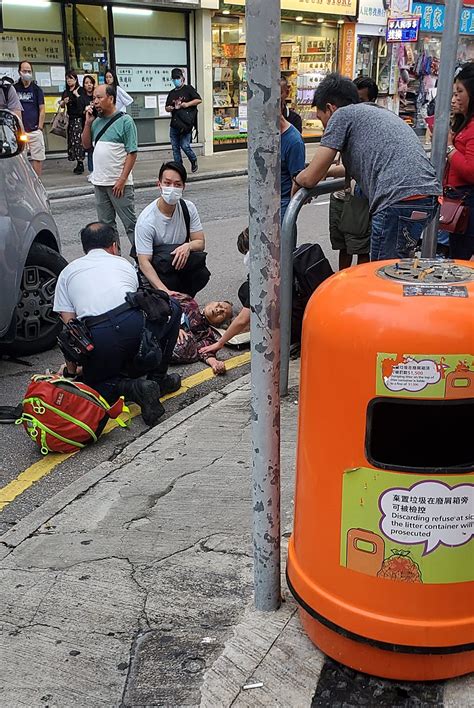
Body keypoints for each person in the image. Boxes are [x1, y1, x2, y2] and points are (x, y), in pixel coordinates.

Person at [292, 73, 441, 261]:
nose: (324, 127)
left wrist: (297, 180)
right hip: (426, 198)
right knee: (396, 266)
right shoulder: (374, 113)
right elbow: (370, 163)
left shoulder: (341, 116)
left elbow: (310, 177)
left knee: (381, 272)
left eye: (322, 119)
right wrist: (328, 172)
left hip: (398, 199)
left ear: (330, 108)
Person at [53, 222, 181, 427]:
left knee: (95, 387)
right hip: (134, 324)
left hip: (98, 337)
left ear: (85, 248)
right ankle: (158, 379)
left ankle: (132, 387)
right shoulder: (123, 264)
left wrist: (71, 372)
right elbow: (146, 303)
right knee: (173, 307)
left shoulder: (68, 272)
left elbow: (71, 330)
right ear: (113, 246)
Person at [135, 161, 209, 297]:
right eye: (167, 183)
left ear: (183, 187)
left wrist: (188, 246)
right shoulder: (146, 221)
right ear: (159, 185)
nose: (172, 188)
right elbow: (144, 262)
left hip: (179, 265)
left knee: (201, 273)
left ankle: (186, 300)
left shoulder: (188, 208)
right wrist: (165, 291)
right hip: (159, 271)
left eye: (177, 184)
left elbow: (200, 242)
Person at [327, 76, 377, 270]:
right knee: (343, 246)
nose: (356, 106)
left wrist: (327, 171)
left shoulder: (372, 126)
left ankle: (359, 287)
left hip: (359, 198)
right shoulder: (343, 121)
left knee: (361, 247)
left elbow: (358, 166)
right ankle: (343, 284)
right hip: (340, 196)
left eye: (362, 100)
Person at [82, 84, 138, 246]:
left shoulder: (125, 121)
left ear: (111, 99)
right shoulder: (95, 122)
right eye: (94, 98)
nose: (95, 102)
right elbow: (86, 145)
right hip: (99, 182)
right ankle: (114, 260)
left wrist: (122, 180)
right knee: (106, 227)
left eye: (99, 97)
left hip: (119, 184)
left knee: (131, 225)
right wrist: (87, 123)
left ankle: (142, 260)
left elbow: (132, 153)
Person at [442, 63, 474, 260]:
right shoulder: (465, 123)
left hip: (467, 203)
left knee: (460, 261)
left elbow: (470, 170)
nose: (454, 100)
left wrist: (449, 147)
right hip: (460, 200)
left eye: (459, 93)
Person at [171, 294, 232, 375]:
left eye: (222, 313)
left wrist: (215, 364)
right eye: (219, 305)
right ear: (211, 302)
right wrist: (175, 326)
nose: (218, 309)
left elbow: (205, 351)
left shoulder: (206, 334)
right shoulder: (188, 302)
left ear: (219, 324)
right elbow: (164, 300)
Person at [165, 68, 201, 173]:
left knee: (185, 145)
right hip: (175, 124)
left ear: (182, 78)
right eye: (174, 79)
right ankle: (179, 169)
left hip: (186, 124)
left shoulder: (188, 89)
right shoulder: (171, 93)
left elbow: (199, 100)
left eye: (178, 78)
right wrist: (170, 108)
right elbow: (166, 107)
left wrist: (187, 104)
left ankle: (193, 159)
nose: (176, 80)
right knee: (175, 148)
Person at [14, 61, 45, 176]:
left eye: (29, 71)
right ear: (19, 72)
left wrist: (40, 128)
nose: (27, 73)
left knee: (38, 157)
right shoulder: (14, 89)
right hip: (19, 131)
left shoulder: (37, 90)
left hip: (35, 130)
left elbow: (42, 109)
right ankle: (24, 181)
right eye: (24, 71)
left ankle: (37, 182)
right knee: (20, 159)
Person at [281, 111, 305, 222]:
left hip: (282, 206)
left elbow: (297, 181)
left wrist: (289, 215)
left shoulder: (294, 141)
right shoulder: (263, 135)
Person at [60, 71, 86, 174]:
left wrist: (76, 95)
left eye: (71, 78)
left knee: (77, 140)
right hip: (69, 118)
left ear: (75, 79)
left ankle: (80, 162)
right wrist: (63, 102)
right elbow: (62, 106)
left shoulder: (80, 90)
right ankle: (76, 160)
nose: (69, 80)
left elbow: (82, 102)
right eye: (67, 79)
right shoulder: (66, 92)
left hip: (78, 118)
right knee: (71, 141)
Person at [81, 74, 95, 173]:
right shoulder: (82, 98)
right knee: (89, 149)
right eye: (86, 83)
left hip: (97, 124)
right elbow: (79, 112)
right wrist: (86, 110)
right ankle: (91, 170)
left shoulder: (96, 96)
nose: (89, 85)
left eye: (90, 83)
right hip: (86, 125)